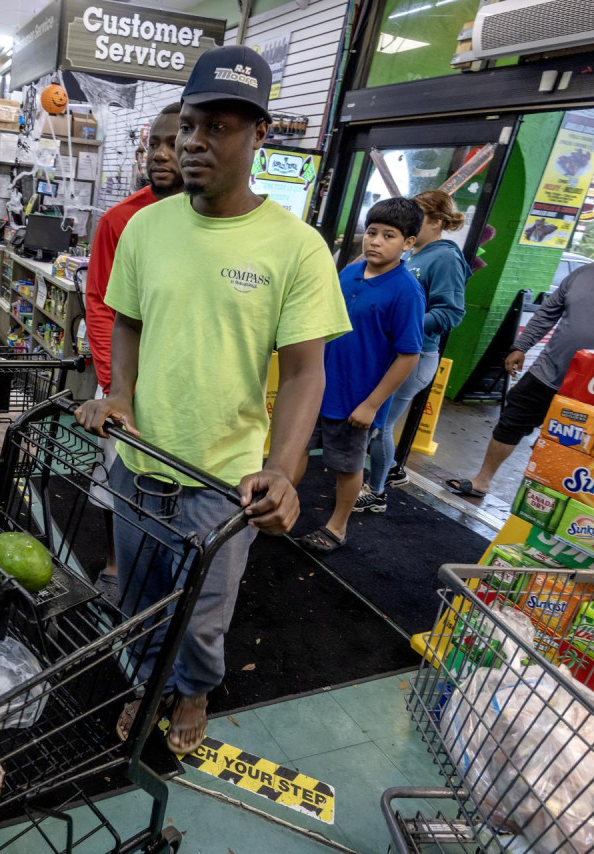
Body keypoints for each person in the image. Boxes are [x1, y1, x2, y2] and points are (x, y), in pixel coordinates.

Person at [74, 45, 350, 754]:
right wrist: (120, 397)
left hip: (221, 478)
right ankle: (146, 684)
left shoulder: (297, 248)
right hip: (137, 462)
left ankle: (193, 689)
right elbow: (128, 318)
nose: (196, 142)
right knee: (136, 599)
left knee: (201, 611)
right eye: (190, 125)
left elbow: (303, 373)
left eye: (220, 127)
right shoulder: (145, 228)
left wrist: (284, 471)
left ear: (260, 135)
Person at [449, 206, 594, 498]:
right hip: (547, 371)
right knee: (511, 423)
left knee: (572, 444)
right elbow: (548, 313)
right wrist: (521, 347)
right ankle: (482, 480)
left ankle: (549, 494)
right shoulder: (585, 274)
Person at [84, 101, 183, 600]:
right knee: (115, 474)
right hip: (125, 381)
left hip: (183, 389)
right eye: (154, 145)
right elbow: (101, 303)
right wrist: (114, 382)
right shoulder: (122, 220)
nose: (160, 155)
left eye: (173, 142)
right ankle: (116, 560)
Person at [298, 199, 424, 553]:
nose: (376, 241)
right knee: (295, 449)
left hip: (358, 399)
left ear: (408, 243)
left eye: (388, 235)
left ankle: (337, 527)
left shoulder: (406, 291)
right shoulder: (349, 273)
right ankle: (275, 509)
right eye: (371, 233)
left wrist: (371, 405)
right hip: (318, 387)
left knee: (347, 466)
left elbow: (409, 355)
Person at [357, 190, 468, 512]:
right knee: (376, 424)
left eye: (417, 216)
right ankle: (384, 472)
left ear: (435, 220)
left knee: (379, 425)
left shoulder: (445, 257)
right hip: (389, 353)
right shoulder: (413, 253)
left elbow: (451, 313)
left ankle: (376, 491)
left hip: (416, 357)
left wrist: (405, 323)